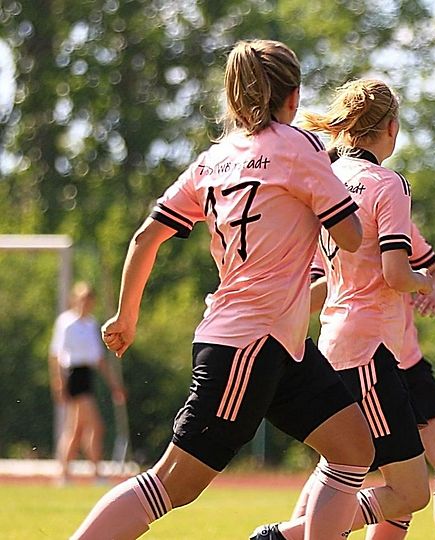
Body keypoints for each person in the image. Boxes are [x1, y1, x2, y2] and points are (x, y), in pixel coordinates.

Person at [70, 39, 375, 540]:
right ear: (293, 96)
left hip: (278, 345)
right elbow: (350, 235)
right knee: (173, 484)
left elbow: (148, 235)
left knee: (353, 450)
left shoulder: (214, 159)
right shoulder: (299, 148)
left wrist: (126, 317)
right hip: (248, 347)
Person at [250, 78, 433, 540]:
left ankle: (284, 535)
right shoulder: (386, 183)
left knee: (339, 468)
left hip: (333, 344)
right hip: (369, 349)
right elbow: (395, 273)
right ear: (391, 127)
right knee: (410, 493)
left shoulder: (326, 180)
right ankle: (280, 537)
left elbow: (316, 279)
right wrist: (423, 280)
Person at [283, 222, 435, 540]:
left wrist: (432, 290)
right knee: (351, 469)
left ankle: (287, 535)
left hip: (407, 361)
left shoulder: (392, 213)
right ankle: (288, 535)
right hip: (364, 357)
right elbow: (311, 297)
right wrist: (350, 274)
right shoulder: (324, 221)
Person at [49, 282, 126, 484]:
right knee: (96, 426)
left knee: (76, 430)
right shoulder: (66, 323)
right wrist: (59, 382)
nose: (86, 304)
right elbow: (56, 355)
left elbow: (99, 359)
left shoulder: (92, 324)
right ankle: (97, 473)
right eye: (83, 299)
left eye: (89, 300)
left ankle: (63, 474)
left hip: (87, 376)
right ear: (75, 300)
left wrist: (114, 384)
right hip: (74, 376)